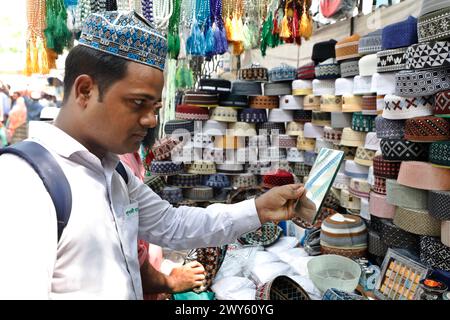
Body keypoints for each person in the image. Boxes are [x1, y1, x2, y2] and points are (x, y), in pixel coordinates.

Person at [0, 11, 305, 299]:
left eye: (155, 108)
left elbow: (173, 224)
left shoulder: (114, 173)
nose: (150, 121)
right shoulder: (25, 182)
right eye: (137, 103)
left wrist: (260, 209)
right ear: (84, 91)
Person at [119, 150, 206, 299]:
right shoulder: (118, 164)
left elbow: (164, 221)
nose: (151, 124)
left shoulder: (129, 154)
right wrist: (171, 282)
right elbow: (130, 256)